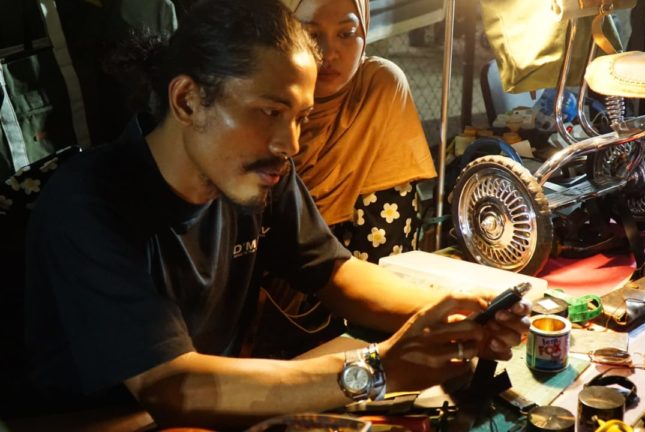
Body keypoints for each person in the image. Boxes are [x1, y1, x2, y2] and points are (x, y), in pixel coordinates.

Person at [21, 0, 530, 428]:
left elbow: (333, 272)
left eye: (300, 117)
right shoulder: (89, 201)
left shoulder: (255, 175)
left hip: (212, 407)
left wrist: (460, 312)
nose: (290, 143)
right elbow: (170, 385)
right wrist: (375, 369)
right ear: (187, 100)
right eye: (270, 112)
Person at [287, 0, 437, 263]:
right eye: (311, 35)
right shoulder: (264, 100)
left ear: (365, 29)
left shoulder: (378, 89)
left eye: (346, 34)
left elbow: (388, 252)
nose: (328, 53)